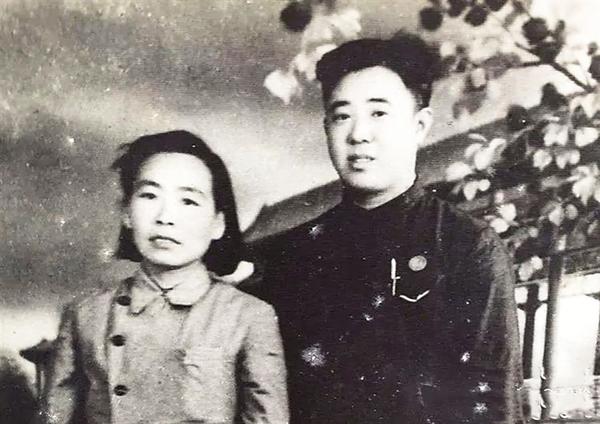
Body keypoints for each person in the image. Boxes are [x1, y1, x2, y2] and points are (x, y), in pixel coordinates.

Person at [250, 35, 525, 423]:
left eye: (378, 113)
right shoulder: (293, 255)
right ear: (327, 128)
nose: (358, 134)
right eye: (342, 116)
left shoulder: (466, 246)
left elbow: (492, 401)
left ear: (420, 125)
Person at [41, 131, 289, 423]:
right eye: (149, 195)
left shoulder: (248, 316)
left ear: (218, 224)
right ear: (126, 213)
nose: (165, 217)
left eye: (188, 201)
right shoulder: (86, 315)